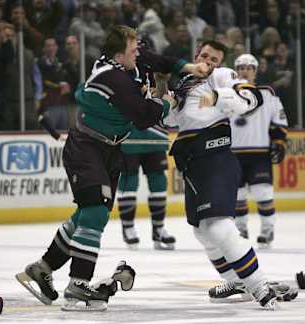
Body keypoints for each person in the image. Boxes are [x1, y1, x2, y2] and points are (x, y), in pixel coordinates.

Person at [16, 25, 208, 312]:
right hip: (87, 147)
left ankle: (42, 268)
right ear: (119, 55)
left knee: (87, 213)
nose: (139, 53)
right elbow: (144, 117)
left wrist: (188, 66)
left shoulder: (125, 65)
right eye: (133, 49)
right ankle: (78, 283)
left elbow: (158, 61)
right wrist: (168, 101)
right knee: (94, 213)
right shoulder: (113, 77)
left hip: (108, 148)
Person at [162, 40, 284, 310]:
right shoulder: (182, 82)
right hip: (193, 163)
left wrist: (219, 97)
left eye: (214, 59)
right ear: (196, 55)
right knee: (203, 232)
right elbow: (172, 121)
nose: (208, 62)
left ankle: (259, 284)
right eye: (205, 56)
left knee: (218, 225)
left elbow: (250, 99)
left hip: (216, 158)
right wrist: (162, 101)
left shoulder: (221, 76)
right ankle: (236, 281)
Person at [117, 55, 176, 251]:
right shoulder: (119, 71)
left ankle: (159, 229)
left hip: (155, 137)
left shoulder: (155, 69)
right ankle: (128, 228)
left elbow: (165, 100)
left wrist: (162, 83)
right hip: (129, 137)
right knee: (128, 181)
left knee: (158, 183)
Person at [230, 54, 288, 249]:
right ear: (235, 71)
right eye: (240, 67)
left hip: (259, 152)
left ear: (255, 71)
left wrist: (279, 141)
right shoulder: (226, 92)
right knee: (236, 195)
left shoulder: (268, 93)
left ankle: (267, 229)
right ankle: (240, 229)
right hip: (232, 153)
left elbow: (278, 121)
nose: (244, 70)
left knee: (263, 192)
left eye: (249, 67)